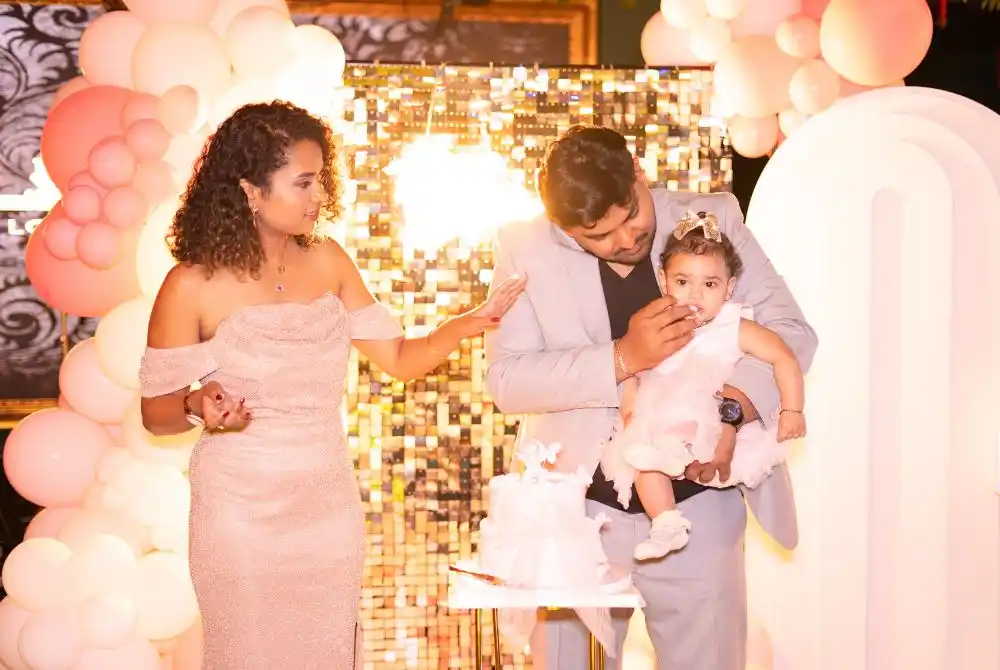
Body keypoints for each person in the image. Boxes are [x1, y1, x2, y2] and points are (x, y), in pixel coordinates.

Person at [138, 101, 525, 670]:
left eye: (320, 179)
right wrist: (198, 404)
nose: (318, 195)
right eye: (302, 182)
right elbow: (155, 413)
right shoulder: (190, 284)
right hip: (238, 511)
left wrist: (465, 324)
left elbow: (399, 359)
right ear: (250, 190)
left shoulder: (329, 260)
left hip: (325, 506)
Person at [485, 125, 817, 670]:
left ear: (638, 172)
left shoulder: (713, 218)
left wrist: (730, 411)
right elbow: (507, 379)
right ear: (561, 226)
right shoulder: (524, 248)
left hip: (700, 502)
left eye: (631, 215)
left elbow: (791, 333)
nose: (624, 240)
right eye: (597, 235)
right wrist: (623, 357)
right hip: (579, 512)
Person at [605, 209, 807, 562]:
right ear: (664, 281)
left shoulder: (734, 326)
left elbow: (784, 357)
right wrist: (631, 407)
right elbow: (636, 370)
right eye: (683, 282)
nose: (695, 295)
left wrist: (793, 409)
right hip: (664, 420)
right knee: (640, 456)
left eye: (709, 284)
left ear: (729, 287)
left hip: (709, 423)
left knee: (657, 446)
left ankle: (670, 463)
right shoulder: (657, 324)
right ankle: (666, 522)